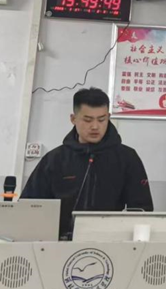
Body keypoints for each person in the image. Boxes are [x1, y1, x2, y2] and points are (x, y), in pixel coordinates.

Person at [22, 87, 153, 238]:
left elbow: (141, 210)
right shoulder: (55, 159)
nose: (95, 126)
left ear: (109, 117)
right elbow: (29, 206)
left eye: (102, 119)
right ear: (73, 119)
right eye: (88, 120)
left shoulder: (127, 158)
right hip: (59, 242)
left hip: (110, 242)